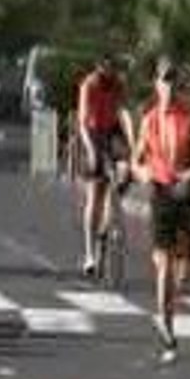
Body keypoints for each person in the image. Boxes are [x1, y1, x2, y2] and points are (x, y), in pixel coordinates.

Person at [133, 58, 190, 363]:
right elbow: (138, 159)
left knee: (186, 273)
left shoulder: (188, 119)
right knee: (163, 263)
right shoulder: (149, 120)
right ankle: (166, 327)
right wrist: (144, 175)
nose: (168, 87)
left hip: (183, 194)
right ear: (156, 84)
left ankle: (174, 297)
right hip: (160, 193)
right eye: (164, 81)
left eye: (173, 82)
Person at [76, 54, 134, 277]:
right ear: (99, 66)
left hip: (112, 133)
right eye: (106, 67)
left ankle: (109, 225)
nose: (110, 71)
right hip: (92, 133)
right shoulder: (89, 85)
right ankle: (90, 254)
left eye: (113, 67)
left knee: (124, 169)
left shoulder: (118, 84)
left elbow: (123, 112)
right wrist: (91, 150)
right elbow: (82, 122)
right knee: (95, 193)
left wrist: (131, 139)